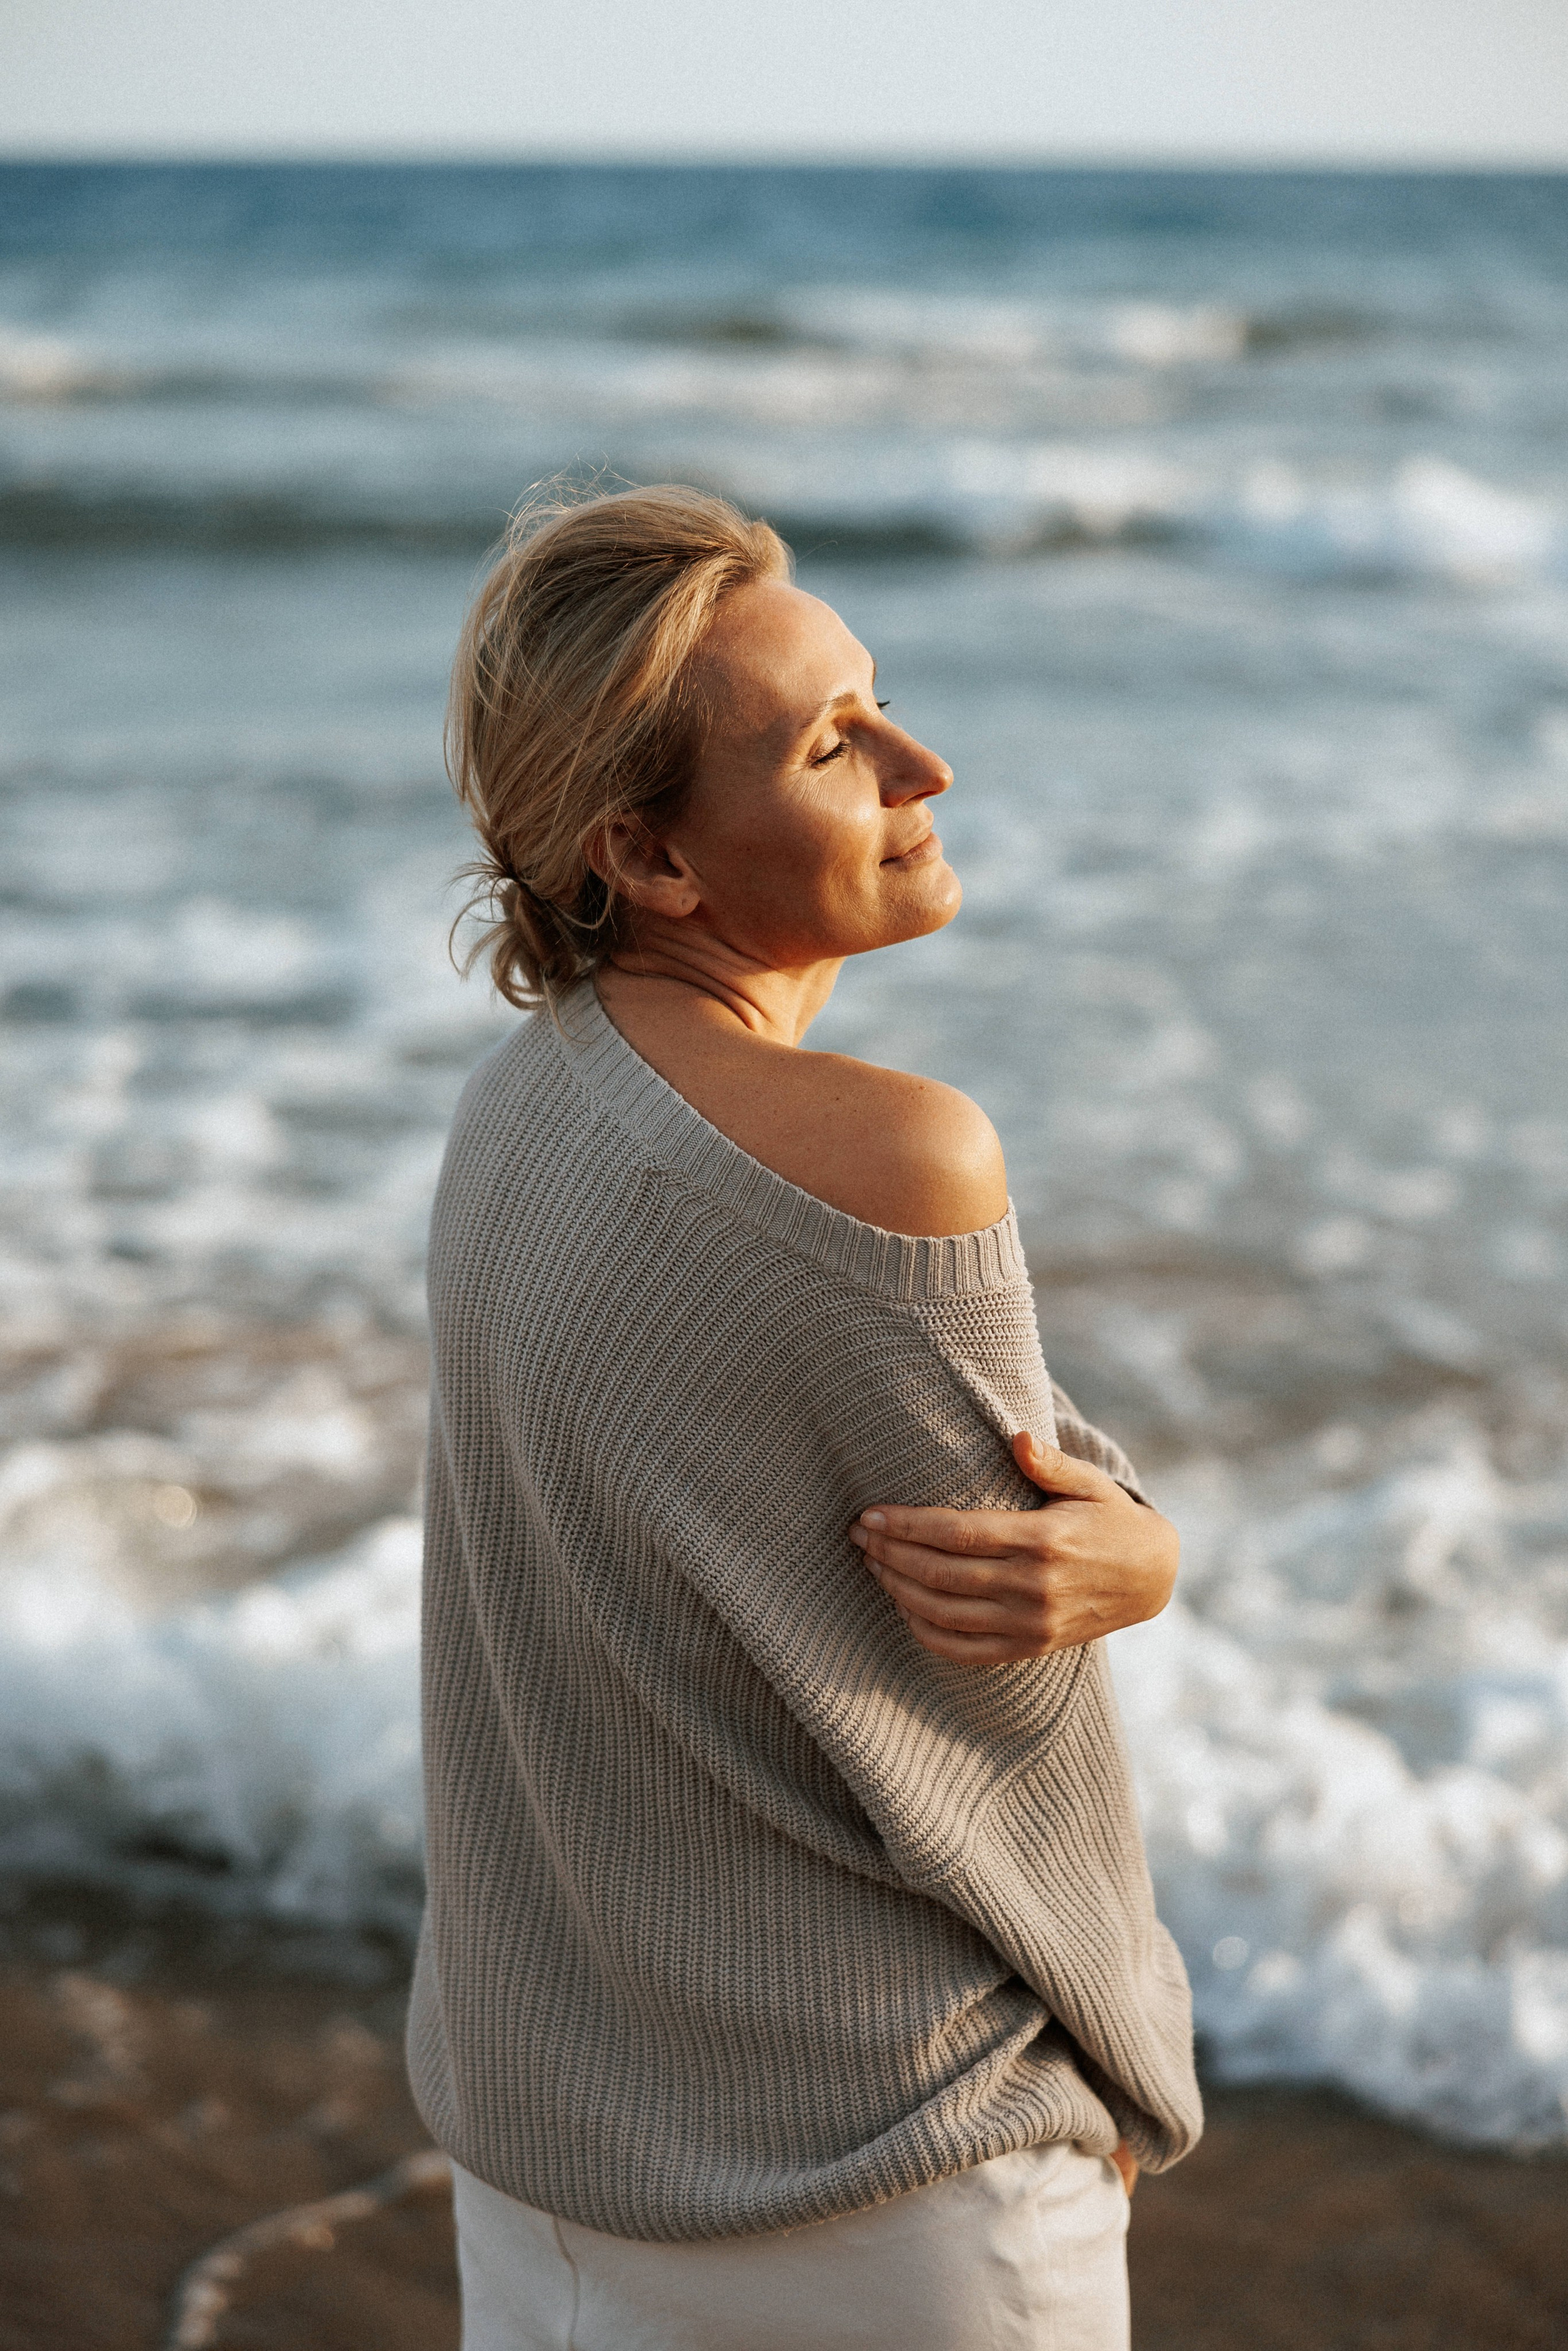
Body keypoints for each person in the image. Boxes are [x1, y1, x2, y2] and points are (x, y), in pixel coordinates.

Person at [408, 483, 1201, 2351]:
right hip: (884, 2176)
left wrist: (1123, 1531)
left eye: (886, 699)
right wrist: (1138, 1564)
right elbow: (998, 1683)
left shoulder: (513, 1118)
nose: (925, 763)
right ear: (659, 863)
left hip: (550, 2165)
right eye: (839, 744)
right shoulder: (903, 1154)